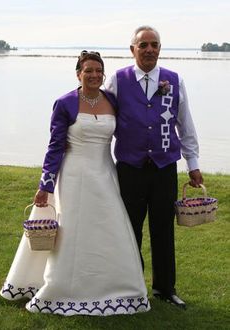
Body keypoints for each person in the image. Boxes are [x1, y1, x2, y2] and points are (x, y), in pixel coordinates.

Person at [0, 51, 150, 316]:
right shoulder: (65, 103)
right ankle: (62, 287)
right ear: (78, 73)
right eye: (88, 71)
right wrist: (45, 184)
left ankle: (118, 287)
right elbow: (55, 146)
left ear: (103, 74)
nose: (94, 75)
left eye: (98, 71)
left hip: (105, 174)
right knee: (72, 230)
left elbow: (127, 132)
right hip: (73, 176)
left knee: (110, 228)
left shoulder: (111, 100)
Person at [105, 26, 204, 309]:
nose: (149, 49)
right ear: (132, 49)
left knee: (163, 229)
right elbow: (104, 118)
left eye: (154, 45)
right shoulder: (117, 80)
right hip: (130, 168)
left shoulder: (174, 80)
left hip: (164, 168)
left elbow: (185, 124)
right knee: (130, 229)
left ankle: (164, 288)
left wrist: (193, 163)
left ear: (160, 49)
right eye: (143, 45)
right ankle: (131, 286)